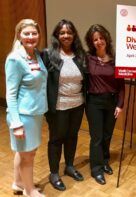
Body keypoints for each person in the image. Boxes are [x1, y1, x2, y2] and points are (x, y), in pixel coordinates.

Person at [41, 19, 86, 191]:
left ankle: (69, 166)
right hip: (58, 107)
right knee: (56, 140)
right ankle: (54, 173)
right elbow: (41, 82)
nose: (66, 35)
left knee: (72, 137)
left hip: (77, 105)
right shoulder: (49, 54)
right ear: (57, 35)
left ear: (74, 35)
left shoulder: (80, 55)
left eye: (69, 32)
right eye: (62, 33)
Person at [5, 19, 47, 197]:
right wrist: (16, 123)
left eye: (34, 33)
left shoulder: (36, 54)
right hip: (23, 116)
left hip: (35, 113)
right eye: (26, 33)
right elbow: (11, 94)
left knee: (25, 152)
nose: (31, 37)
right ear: (19, 35)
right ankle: (29, 191)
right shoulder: (15, 59)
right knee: (27, 155)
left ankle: (19, 182)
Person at [84, 24, 125, 185]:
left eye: (101, 38)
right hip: (94, 102)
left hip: (112, 102)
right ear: (91, 42)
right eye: (95, 39)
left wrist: (120, 104)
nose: (99, 41)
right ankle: (96, 169)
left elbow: (121, 85)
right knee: (97, 137)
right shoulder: (88, 58)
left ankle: (105, 161)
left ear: (106, 39)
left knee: (107, 134)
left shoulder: (116, 60)